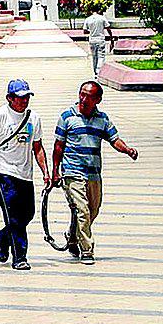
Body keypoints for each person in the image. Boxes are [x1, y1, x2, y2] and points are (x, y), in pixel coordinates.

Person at [50, 81, 139, 265]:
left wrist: (128, 150)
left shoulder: (102, 119)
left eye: (89, 96)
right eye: (81, 94)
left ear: (98, 99)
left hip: (94, 174)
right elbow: (58, 147)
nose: (83, 99)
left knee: (93, 211)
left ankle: (72, 235)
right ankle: (87, 250)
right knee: (82, 211)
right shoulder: (67, 117)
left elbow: (114, 139)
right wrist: (55, 172)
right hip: (72, 172)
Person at [0, 79, 50, 271]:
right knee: (13, 217)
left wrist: (45, 172)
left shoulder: (33, 118)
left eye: (27, 97)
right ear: (9, 98)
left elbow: (37, 147)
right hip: (4, 172)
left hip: (25, 174)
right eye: (20, 97)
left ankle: (3, 238)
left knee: (28, 214)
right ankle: (20, 256)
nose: (24, 101)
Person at [84, 8, 113, 77]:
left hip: (92, 40)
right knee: (101, 56)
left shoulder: (88, 19)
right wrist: (111, 38)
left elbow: (85, 31)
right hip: (100, 39)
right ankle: (98, 71)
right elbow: (108, 28)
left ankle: (95, 72)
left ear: (91, 11)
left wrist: (91, 31)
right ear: (99, 11)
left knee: (94, 57)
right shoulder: (102, 18)